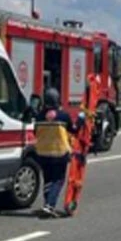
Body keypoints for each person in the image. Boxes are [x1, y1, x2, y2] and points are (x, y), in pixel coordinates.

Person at [34, 88, 77, 218]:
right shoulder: (63, 116)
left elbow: (36, 132)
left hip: (42, 153)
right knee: (58, 180)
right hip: (59, 152)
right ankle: (50, 205)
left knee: (47, 179)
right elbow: (73, 130)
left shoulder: (39, 116)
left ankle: (47, 203)